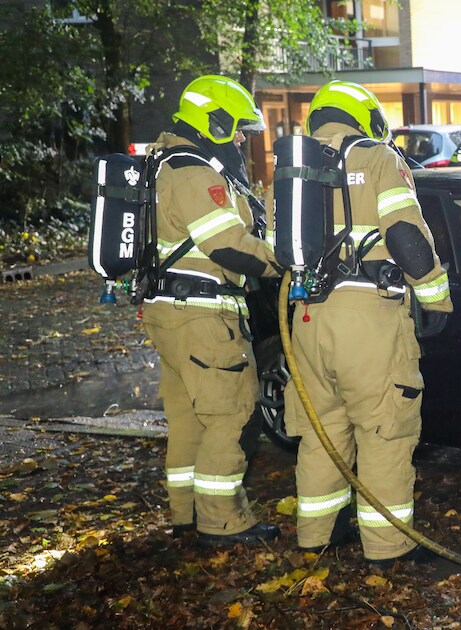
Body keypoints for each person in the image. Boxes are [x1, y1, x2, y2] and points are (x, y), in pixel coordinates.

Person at [287, 80, 453, 566]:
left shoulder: (293, 166)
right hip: (368, 319)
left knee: (322, 431)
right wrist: (436, 299)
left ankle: (315, 535)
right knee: (384, 431)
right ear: (368, 118)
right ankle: (388, 546)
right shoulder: (378, 157)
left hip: (308, 316)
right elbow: (405, 235)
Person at [142, 75, 280, 546]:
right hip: (204, 317)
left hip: (168, 311)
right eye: (237, 128)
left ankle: (185, 514)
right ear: (214, 121)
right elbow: (228, 247)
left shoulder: (162, 163)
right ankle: (223, 522)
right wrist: (282, 260)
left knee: (186, 420)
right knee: (228, 417)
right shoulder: (196, 171)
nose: (241, 138)